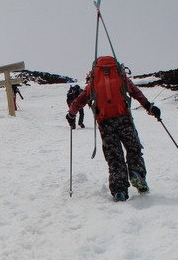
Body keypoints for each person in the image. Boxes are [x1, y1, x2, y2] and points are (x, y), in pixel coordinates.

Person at [66, 56, 161, 202]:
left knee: (114, 157)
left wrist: (71, 114)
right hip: (124, 119)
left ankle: (119, 190)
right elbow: (135, 92)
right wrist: (149, 106)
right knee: (133, 149)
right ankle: (137, 173)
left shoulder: (93, 81)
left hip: (105, 123)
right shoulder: (121, 77)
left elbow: (81, 99)